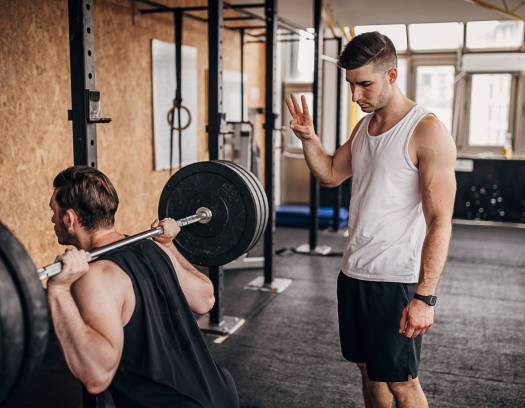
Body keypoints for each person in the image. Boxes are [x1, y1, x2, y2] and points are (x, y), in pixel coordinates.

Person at [285, 31, 456, 408]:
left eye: (364, 84)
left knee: (402, 383)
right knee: (367, 371)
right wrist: (308, 138)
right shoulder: (365, 127)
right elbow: (330, 173)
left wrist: (425, 297)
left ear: (392, 76)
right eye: (351, 85)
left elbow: (441, 220)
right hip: (354, 274)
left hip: (396, 282)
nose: (355, 95)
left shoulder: (426, 131)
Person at [46, 166, 239, 408]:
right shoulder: (153, 247)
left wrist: (59, 291)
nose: (52, 219)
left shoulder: (97, 276)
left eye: (53, 212)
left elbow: (96, 377)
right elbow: (205, 299)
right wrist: (169, 246)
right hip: (220, 393)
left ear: (70, 219)